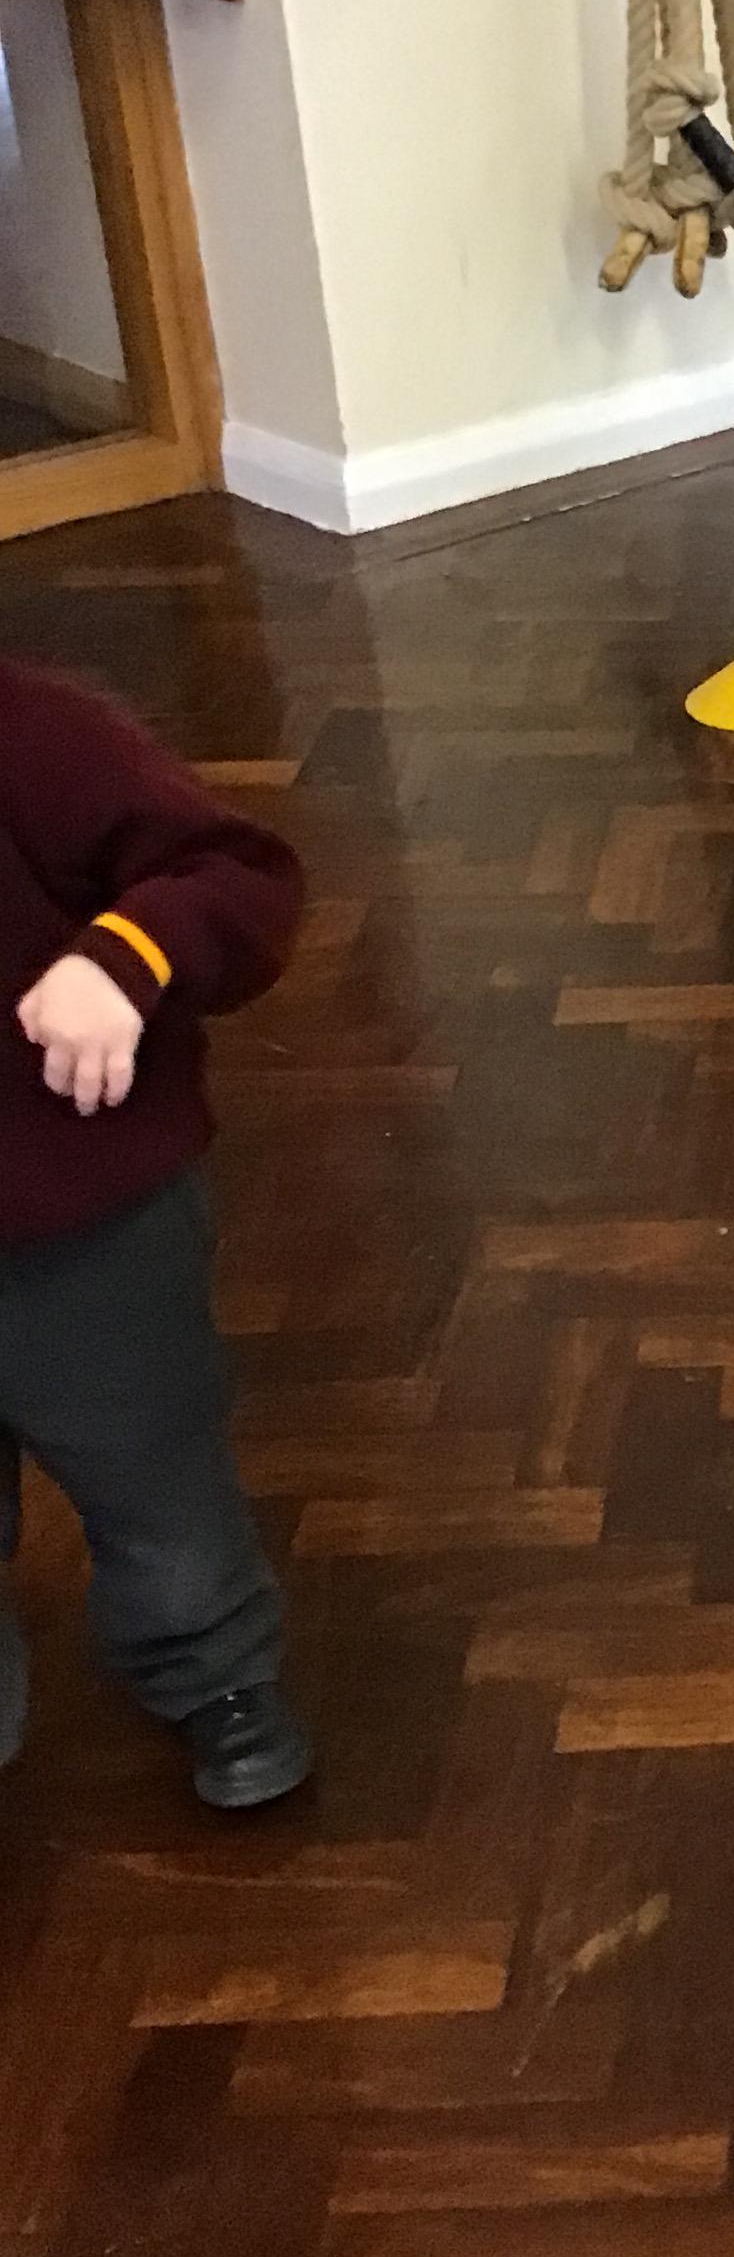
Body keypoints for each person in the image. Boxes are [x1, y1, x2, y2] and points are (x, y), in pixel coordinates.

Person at [0, 654, 312, 1808]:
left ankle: (213, 1672)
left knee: (156, 1484)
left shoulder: (35, 731)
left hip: (85, 1237)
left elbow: (242, 874)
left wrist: (127, 958)